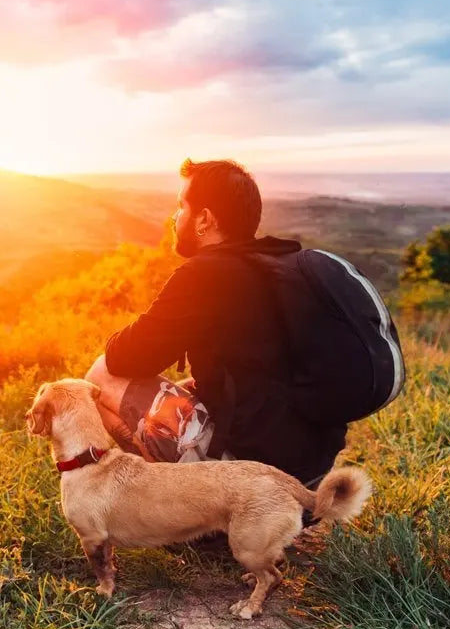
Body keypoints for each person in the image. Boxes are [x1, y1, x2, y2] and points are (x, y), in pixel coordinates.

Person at [85, 159, 348, 488]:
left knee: (100, 377)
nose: (174, 217)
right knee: (185, 389)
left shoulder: (206, 273)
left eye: (181, 206)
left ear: (204, 220)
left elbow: (123, 358)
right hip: (311, 480)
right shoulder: (276, 264)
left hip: (255, 486)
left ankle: (186, 520)